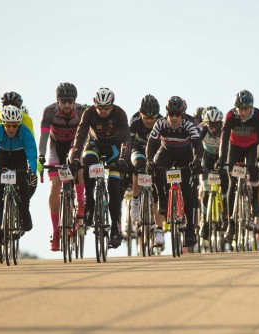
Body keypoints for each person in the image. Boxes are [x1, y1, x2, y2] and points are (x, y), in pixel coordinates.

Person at [70, 87, 131, 248]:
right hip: (94, 145)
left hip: (114, 149)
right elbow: (80, 137)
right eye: (100, 108)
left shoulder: (120, 114)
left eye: (106, 108)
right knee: (88, 162)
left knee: (114, 186)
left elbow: (126, 139)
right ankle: (90, 200)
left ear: (112, 105)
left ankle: (115, 228)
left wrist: (124, 158)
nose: (103, 111)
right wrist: (75, 157)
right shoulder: (89, 113)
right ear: (95, 106)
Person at [146, 96, 203, 247]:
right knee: (157, 168)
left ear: (183, 114)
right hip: (166, 151)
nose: (174, 118)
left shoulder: (189, 124)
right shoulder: (160, 123)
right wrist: (149, 160)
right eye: (171, 114)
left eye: (177, 114)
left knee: (187, 190)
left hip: (185, 154)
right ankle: (162, 198)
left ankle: (190, 229)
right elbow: (151, 144)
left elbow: (198, 145)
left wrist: (197, 161)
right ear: (167, 113)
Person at [38, 82, 85, 251]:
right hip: (55, 146)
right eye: (63, 101)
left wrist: (79, 155)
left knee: (79, 164)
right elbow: (43, 138)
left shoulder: (81, 112)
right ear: (57, 101)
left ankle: (80, 202)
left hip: (74, 145)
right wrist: (41, 156)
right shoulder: (49, 112)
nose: (66, 105)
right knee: (55, 186)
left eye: (70, 101)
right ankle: (56, 232)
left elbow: (85, 137)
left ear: (74, 101)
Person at [0, 105, 36, 247]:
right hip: (3, 155)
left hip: (20, 156)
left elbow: (31, 151)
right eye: (8, 125)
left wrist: (32, 169)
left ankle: (25, 213)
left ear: (19, 124)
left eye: (14, 125)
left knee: (22, 181)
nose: (11, 129)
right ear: (3, 124)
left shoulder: (25, 132)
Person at [220, 90, 259, 241]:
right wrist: (221, 157)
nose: (243, 112)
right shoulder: (230, 116)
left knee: (253, 170)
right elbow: (224, 137)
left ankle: (254, 203)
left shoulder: (258, 115)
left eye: (246, 108)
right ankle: (231, 224)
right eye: (240, 109)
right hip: (235, 148)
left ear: (251, 107)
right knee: (232, 184)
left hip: (253, 147)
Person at [128, 95, 161, 227]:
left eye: (152, 117)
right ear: (140, 114)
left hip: (155, 151)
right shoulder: (135, 121)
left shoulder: (161, 121)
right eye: (146, 117)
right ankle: (135, 201)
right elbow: (128, 143)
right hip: (138, 150)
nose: (149, 121)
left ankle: (157, 224)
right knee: (139, 167)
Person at [198, 106, 226, 240]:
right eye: (210, 124)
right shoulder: (202, 130)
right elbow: (195, 145)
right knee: (205, 189)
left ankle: (226, 217)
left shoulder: (226, 130)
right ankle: (204, 221)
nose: (213, 127)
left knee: (227, 187)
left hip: (222, 158)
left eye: (216, 124)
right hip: (207, 159)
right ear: (205, 124)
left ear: (221, 123)